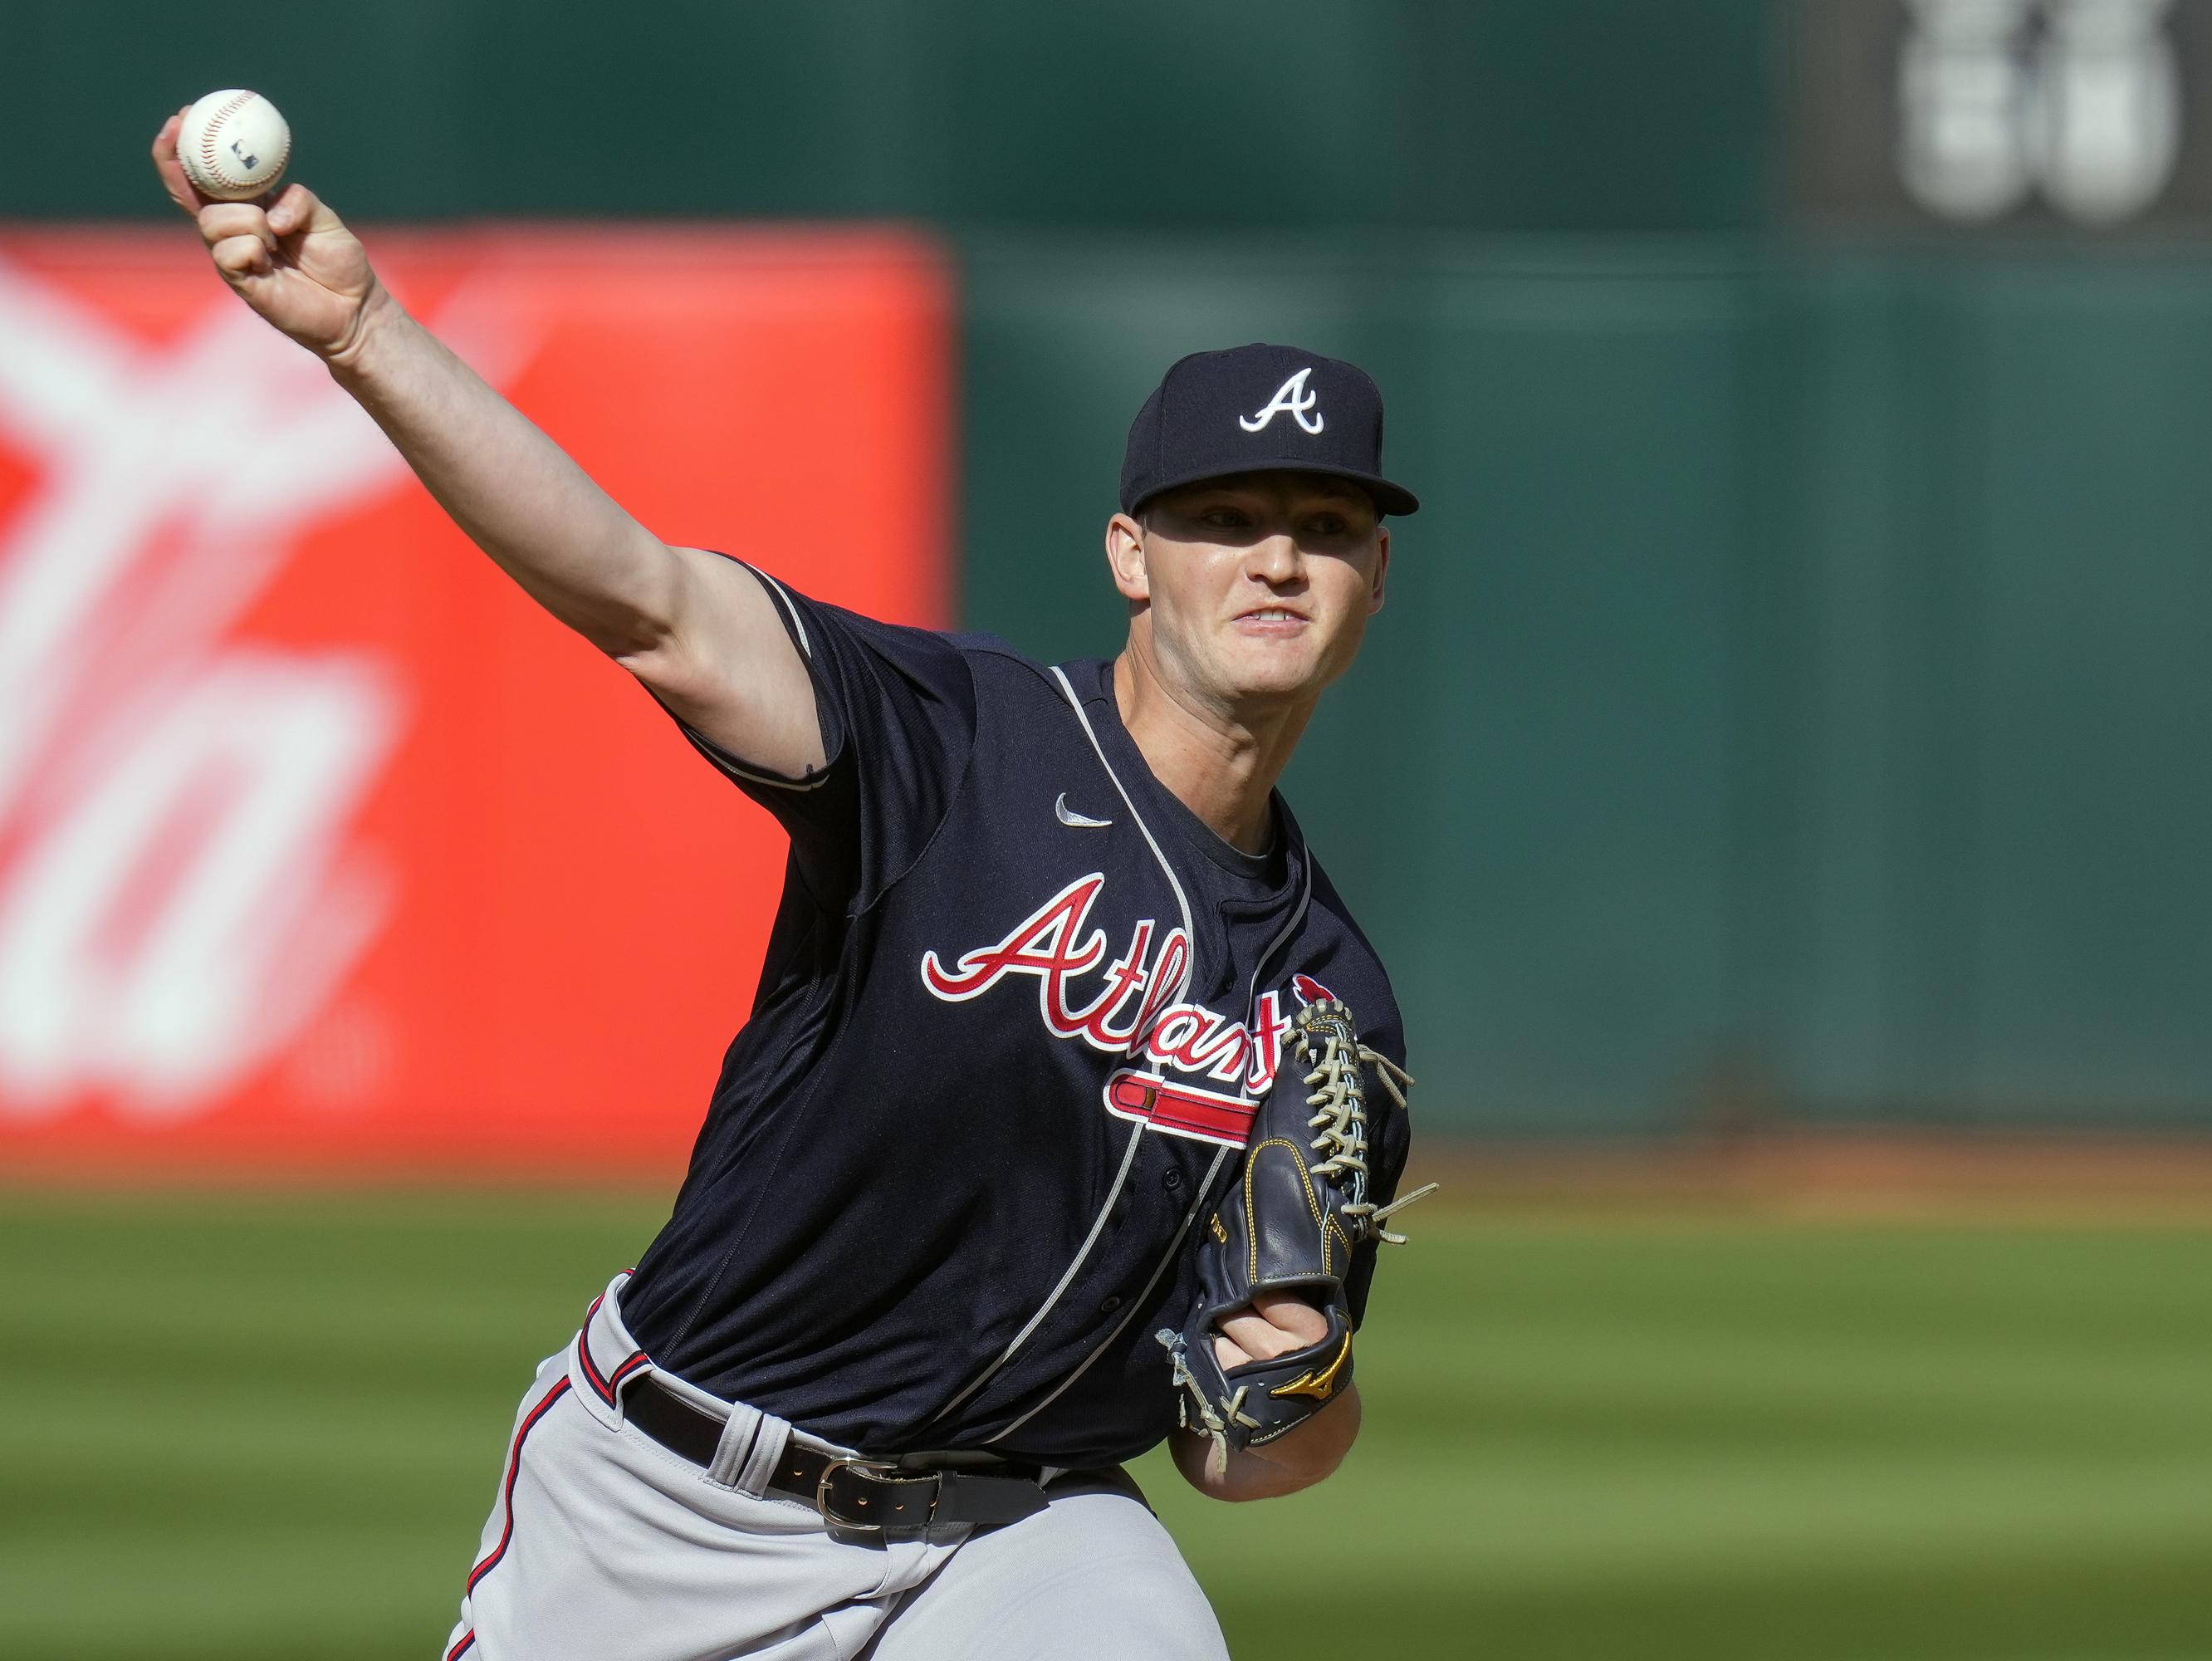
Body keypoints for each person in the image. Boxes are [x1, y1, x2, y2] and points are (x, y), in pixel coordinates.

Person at [151, 110, 1421, 1661]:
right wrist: (365, 333)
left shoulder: (1329, 993)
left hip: (1019, 1531)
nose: (1276, 559)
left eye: (1325, 528)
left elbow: (1245, 1459)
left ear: (1374, 578)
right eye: (1224, 521)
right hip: (673, 1499)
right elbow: (647, 601)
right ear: (1131, 556)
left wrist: (1304, 1381)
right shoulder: (954, 739)